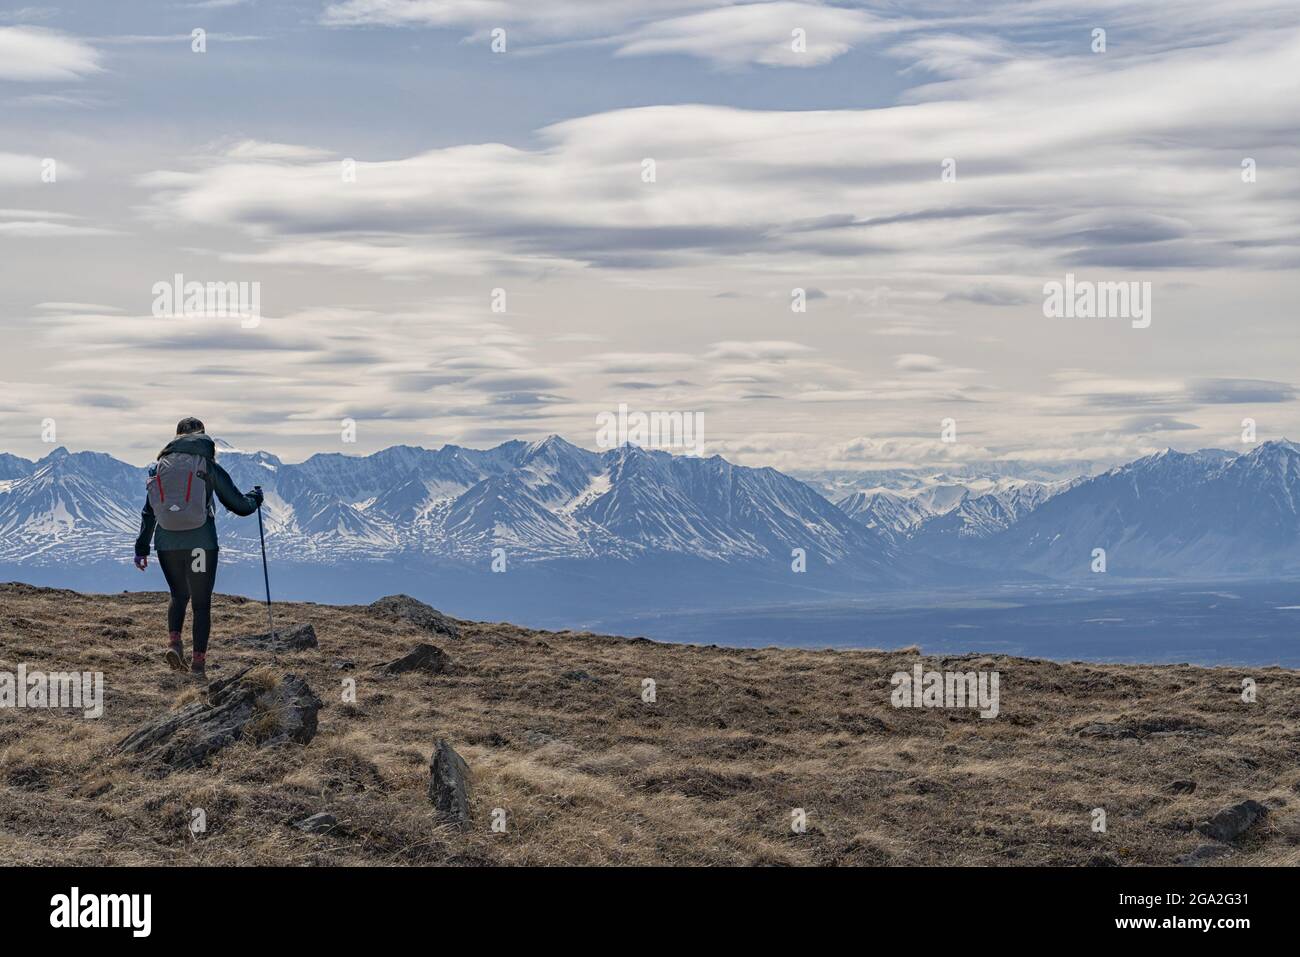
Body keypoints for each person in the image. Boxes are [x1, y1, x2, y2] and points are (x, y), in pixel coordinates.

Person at [133, 417, 263, 679]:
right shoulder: (207, 466)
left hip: (167, 544)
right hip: (201, 545)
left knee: (178, 595)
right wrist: (255, 498)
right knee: (201, 605)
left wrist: (142, 548)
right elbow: (239, 505)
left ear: (176, 437)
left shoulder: (158, 468)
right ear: (202, 438)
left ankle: (174, 644)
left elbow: (149, 513)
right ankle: (198, 667)